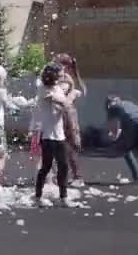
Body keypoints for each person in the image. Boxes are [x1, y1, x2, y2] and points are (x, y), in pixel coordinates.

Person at [34, 63, 77, 207]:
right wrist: (72, 95)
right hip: (47, 135)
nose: (62, 76)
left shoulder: (57, 88)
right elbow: (63, 104)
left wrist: (70, 88)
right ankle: (38, 196)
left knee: (63, 166)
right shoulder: (43, 89)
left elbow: (63, 106)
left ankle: (63, 197)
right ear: (52, 74)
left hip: (59, 135)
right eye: (60, 73)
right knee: (46, 167)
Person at [53, 53, 85, 187]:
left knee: (68, 146)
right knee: (61, 145)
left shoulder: (65, 79)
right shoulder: (66, 78)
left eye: (57, 63)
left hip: (66, 114)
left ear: (64, 66)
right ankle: (64, 176)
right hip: (63, 113)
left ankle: (76, 176)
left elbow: (63, 96)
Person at [100, 96, 138, 182]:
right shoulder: (127, 103)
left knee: (126, 151)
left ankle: (137, 177)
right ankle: (137, 177)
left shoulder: (113, 109)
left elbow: (115, 132)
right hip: (135, 123)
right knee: (127, 149)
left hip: (134, 125)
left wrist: (111, 137)